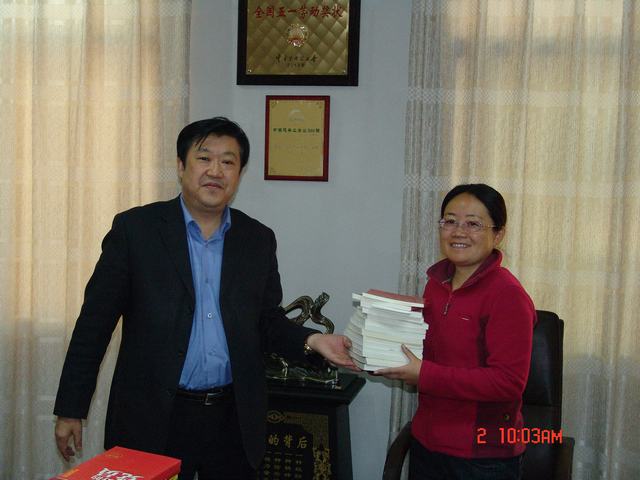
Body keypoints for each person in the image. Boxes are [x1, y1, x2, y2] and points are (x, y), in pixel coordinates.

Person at [53, 117, 358, 479]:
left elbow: (266, 322)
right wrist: (71, 408)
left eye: (228, 161)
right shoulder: (136, 231)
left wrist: (313, 340)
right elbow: (94, 324)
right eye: (204, 158)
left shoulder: (257, 239)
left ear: (239, 173)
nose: (215, 171)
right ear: (181, 166)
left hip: (233, 420)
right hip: (154, 416)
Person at [376, 184, 535, 480]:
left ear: (498, 234)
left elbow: (508, 382)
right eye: (450, 221)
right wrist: (374, 351)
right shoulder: (436, 284)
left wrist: (424, 374)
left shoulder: (508, 295)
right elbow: (424, 349)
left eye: (473, 224)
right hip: (427, 442)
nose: (459, 232)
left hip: (482, 457)